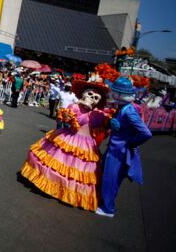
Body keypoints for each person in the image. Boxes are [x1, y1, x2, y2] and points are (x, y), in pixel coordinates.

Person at [20, 80, 110, 211]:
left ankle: (69, 193)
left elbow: (104, 129)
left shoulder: (99, 114)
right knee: (56, 164)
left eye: (96, 97)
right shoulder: (74, 107)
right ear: (84, 94)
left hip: (86, 145)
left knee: (78, 173)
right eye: (90, 94)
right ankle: (51, 186)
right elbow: (63, 119)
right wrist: (68, 114)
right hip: (69, 138)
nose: (92, 98)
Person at [96, 77, 152, 218]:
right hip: (115, 148)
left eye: (114, 91)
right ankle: (105, 203)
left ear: (120, 94)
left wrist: (131, 142)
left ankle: (108, 208)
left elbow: (146, 133)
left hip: (120, 152)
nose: (112, 93)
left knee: (111, 179)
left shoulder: (129, 111)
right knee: (108, 177)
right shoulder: (123, 108)